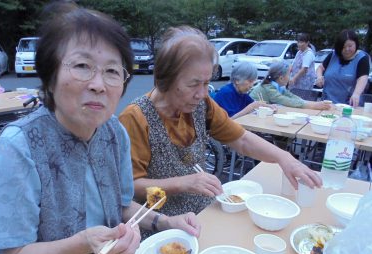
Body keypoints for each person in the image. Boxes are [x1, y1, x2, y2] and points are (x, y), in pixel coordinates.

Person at [0, 4, 199, 254]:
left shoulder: (113, 132)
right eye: (82, 66)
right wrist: (85, 242)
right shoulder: (18, 146)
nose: (99, 84)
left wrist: (165, 220)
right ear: (50, 74)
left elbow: (121, 205)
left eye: (113, 71)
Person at [119, 26, 322, 227]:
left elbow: (241, 139)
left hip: (204, 210)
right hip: (159, 222)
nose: (202, 93)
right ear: (165, 79)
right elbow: (131, 187)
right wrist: (184, 182)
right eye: (193, 84)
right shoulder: (136, 117)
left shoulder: (202, 104)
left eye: (207, 83)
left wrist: (284, 158)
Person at [315, 29, 370, 107]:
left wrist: (356, 94)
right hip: (327, 103)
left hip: (349, 105)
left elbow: (363, 78)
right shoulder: (333, 55)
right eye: (343, 47)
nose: (347, 49)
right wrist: (319, 76)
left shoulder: (362, 58)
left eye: (350, 46)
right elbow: (320, 68)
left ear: (356, 44)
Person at [250, 60, 331, 110]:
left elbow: (291, 96)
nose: (290, 77)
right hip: (251, 115)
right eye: (289, 75)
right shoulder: (269, 88)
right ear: (281, 78)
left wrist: (310, 103)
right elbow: (287, 101)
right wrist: (313, 106)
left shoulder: (277, 86)